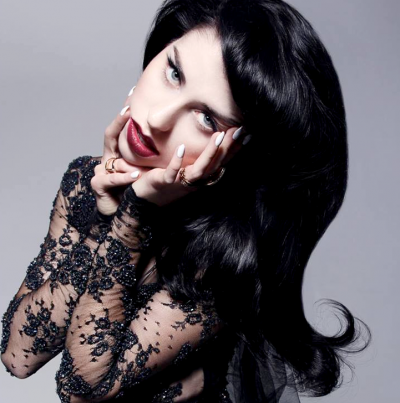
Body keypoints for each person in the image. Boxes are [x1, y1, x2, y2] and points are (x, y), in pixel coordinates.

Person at [0, 0, 371, 402]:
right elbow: (19, 355)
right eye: (174, 73)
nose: (158, 119)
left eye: (207, 118)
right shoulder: (87, 181)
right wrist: (106, 218)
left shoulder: (222, 257)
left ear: (236, 150)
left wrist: (132, 217)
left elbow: (82, 389)